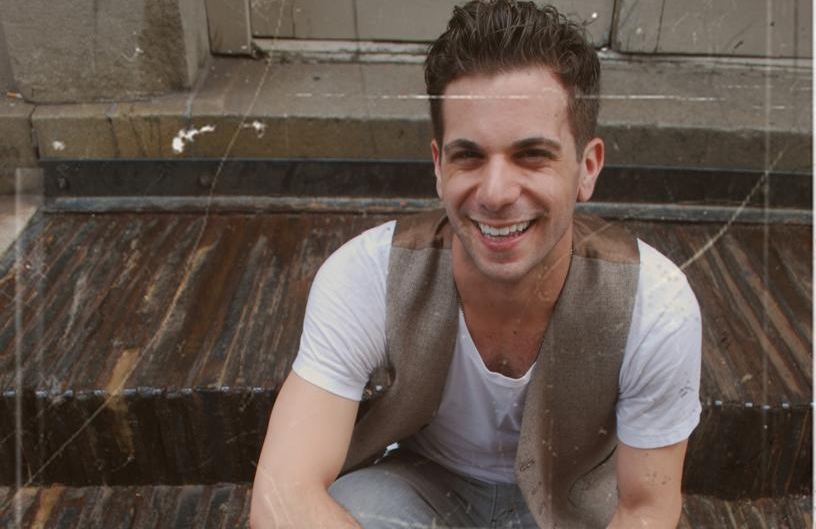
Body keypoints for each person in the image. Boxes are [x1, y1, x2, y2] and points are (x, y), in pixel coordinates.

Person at [249, 1, 701, 527]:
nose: (496, 193)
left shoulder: (657, 304)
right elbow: (281, 496)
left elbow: (646, 507)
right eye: (469, 156)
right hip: (421, 489)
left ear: (587, 166)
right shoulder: (365, 274)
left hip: (576, 503)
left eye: (532, 155)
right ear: (439, 166)